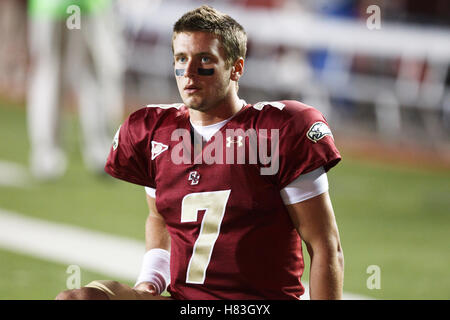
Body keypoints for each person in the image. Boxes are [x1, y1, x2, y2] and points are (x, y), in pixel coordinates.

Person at [56, 5, 344, 300]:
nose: (189, 72)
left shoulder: (279, 130)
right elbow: (159, 218)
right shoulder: (156, 131)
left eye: (204, 59)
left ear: (236, 67)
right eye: (181, 58)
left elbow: (324, 245)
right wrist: (150, 282)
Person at [27, 0, 124, 180]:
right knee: (93, 71)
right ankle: (100, 152)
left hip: (57, 6)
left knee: (52, 72)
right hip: (81, 6)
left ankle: (47, 155)